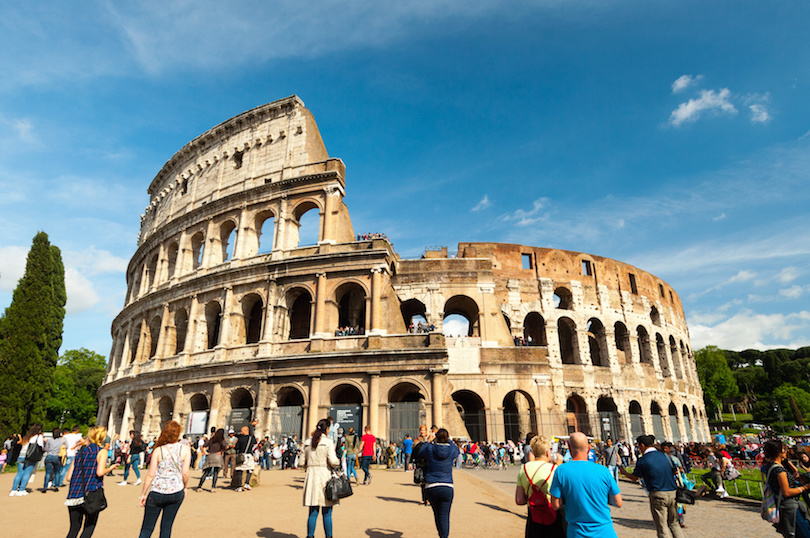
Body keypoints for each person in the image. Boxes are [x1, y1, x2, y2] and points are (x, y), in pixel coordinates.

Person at [549, 431, 622, 538]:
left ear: (569, 448)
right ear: (588, 448)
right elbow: (618, 502)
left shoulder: (561, 471)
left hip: (577, 532)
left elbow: (555, 505)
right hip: (605, 531)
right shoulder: (603, 471)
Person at [619, 435, 684, 538]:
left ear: (642, 445)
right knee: (674, 524)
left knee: (662, 527)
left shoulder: (644, 459)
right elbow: (674, 470)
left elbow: (635, 477)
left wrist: (624, 472)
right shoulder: (666, 456)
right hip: (672, 492)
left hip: (658, 493)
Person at [136, 420, 190, 538]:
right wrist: (185, 487)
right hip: (176, 491)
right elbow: (185, 473)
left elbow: (151, 475)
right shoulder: (185, 449)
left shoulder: (158, 450)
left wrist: (143, 494)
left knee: (147, 528)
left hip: (157, 491)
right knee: (166, 527)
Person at [64, 426, 117, 538]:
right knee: (89, 526)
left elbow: (68, 477)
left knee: (73, 529)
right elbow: (100, 472)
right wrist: (111, 468)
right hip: (91, 493)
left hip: (74, 495)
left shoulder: (80, 452)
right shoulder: (101, 451)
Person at [516, 435, 566, 538]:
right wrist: (559, 465)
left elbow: (519, 500)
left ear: (533, 452)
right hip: (554, 517)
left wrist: (534, 498)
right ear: (548, 452)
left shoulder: (524, 468)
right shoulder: (555, 469)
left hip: (534, 517)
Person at [414, 428, 460, 538]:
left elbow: (420, 452)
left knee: (437, 515)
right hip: (447, 485)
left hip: (431, 486)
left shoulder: (430, 448)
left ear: (436, 437)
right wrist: (448, 440)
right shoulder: (452, 449)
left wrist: (429, 440)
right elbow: (456, 450)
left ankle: (441, 535)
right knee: (444, 516)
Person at [762, 439, 810, 538]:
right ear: (778, 452)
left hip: (781, 504)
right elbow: (786, 492)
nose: (786, 452)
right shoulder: (779, 470)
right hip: (789, 507)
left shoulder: (769, 466)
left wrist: (794, 480)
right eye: (784, 450)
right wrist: (805, 487)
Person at [302, 418, 340, 538]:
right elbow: (334, 461)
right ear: (327, 429)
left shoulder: (308, 442)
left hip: (311, 476)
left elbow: (300, 462)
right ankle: (329, 536)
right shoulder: (328, 442)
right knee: (327, 512)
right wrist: (338, 462)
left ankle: (310, 535)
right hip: (324, 475)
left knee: (312, 511)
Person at [10, 424, 44, 496]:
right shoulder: (38, 437)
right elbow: (41, 446)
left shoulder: (27, 436)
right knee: (27, 473)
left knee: (19, 473)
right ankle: (21, 489)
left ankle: (13, 489)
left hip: (21, 456)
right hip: (30, 457)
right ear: (39, 431)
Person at [232, 423, 257, 491]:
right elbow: (255, 443)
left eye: (242, 431)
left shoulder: (240, 439)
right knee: (250, 469)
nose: (241, 432)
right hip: (249, 455)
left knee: (240, 470)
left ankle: (239, 486)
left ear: (246, 431)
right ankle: (247, 483)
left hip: (242, 455)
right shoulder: (251, 438)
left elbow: (236, 447)